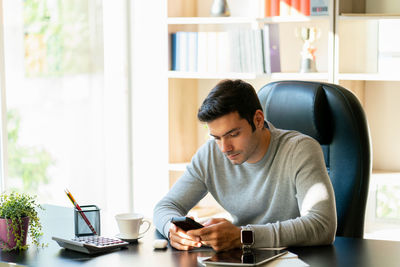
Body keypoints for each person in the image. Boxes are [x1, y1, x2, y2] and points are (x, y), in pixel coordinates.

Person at [153, 79, 337, 251]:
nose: (225, 148)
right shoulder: (210, 154)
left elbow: (322, 225)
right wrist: (173, 229)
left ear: (258, 120)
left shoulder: (300, 150)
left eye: (233, 134)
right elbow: (165, 206)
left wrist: (243, 236)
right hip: (244, 257)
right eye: (217, 138)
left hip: (297, 258)